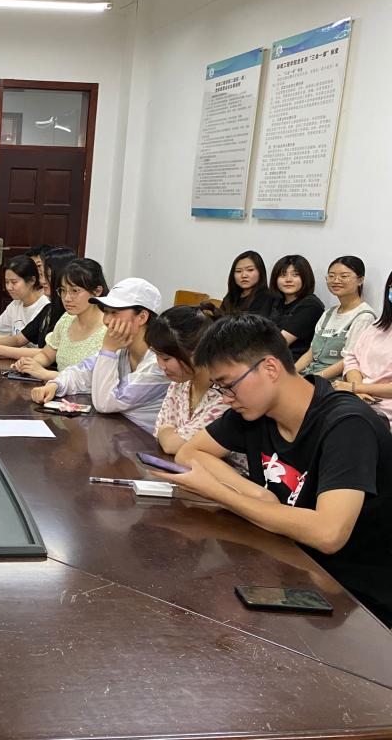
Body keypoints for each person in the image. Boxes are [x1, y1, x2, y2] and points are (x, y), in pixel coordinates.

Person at [159, 313, 392, 627]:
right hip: (291, 563)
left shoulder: (347, 424)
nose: (227, 399)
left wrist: (221, 493)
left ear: (270, 368)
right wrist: (257, 494)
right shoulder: (253, 411)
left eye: (228, 385)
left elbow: (329, 534)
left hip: (357, 602)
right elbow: (190, 452)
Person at [30, 278, 170, 433]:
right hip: (117, 433)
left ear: (142, 317)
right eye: (106, 312)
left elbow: (105, 404)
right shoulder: (122, 348)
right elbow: (80, 372)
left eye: (114, 313)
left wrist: (108, 350)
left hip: (143, 442)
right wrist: (55, 385)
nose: (107, 321)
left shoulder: (160, 364)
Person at [145, 303, 227, 454]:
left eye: (166, 358)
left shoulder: (227, 393)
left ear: (197, 352)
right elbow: (159, 431)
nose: (160, 365)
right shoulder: (180, 383)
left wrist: (168, 433)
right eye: (156, 355)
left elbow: (172, 445)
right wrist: (167, 433)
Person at [12, 258, 107, 380]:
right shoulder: (67, 319)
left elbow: (92, 380)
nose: (67, 298)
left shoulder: (109, 328)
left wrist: (45, 374)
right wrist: (30, 364)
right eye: (63, 290)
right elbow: (47, 354)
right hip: (56, 388)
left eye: (75, 291)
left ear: (97, 291)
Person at [0, 247, 77, 360]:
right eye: (41, 275)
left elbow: (49, 353)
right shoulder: (48, 309)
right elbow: (18, 339)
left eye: (47, 276)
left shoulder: (69, 314)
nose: (42, 281)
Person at [296, 256, 374, 379]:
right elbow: (311, 353)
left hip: (335, 379)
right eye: (331, 276)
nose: (336, 280)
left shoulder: (364, 317)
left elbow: (348, 360)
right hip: (311, 373)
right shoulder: (329, 313)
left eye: (344, 276)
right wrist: (291, 374)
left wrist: (314, 379)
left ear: (360, 280)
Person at [335, 268, 392, 423]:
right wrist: (357, 390)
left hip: (384, 411)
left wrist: (356, 388)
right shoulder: (377, 327)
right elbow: (352, 358)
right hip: (358, 400)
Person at [268, 254, 324, 360]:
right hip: (271, 358)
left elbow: (279, 343)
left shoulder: (311, 305)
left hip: (293, 362)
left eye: (295, 275)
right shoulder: (276, 302)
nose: (288, 280)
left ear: (305, 278)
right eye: (283, 275)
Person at [220, 251, 273, 316]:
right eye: (238, 271)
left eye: (250, 270)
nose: (244, 275)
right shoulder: (230, 297)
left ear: (260, 272)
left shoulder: (268, 298)